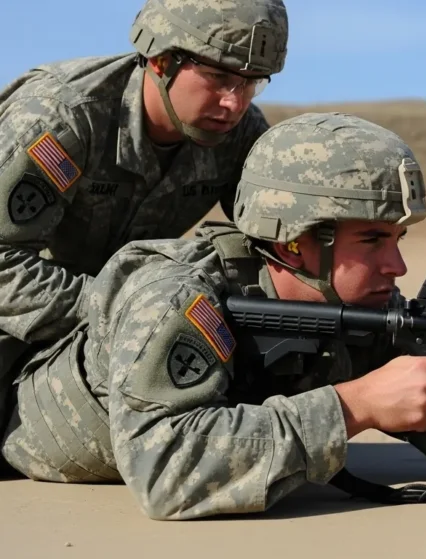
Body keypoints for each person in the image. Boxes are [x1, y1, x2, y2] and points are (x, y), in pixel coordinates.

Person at [0, 112, 426, 520]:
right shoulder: (179, 295)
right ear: (297, 238)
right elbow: (168, 471)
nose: (396, 267)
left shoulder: (359, 309)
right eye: (371, 240)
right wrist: (353, 405)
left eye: (399, 240)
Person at [0, 0, 289, 409]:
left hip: (106, 336)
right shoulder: (63, 117)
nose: (234, 103)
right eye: (218, 77)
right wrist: (129, 308)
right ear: (160, 61)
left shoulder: (239, 134)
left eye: (251, 82)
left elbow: (279, 244)